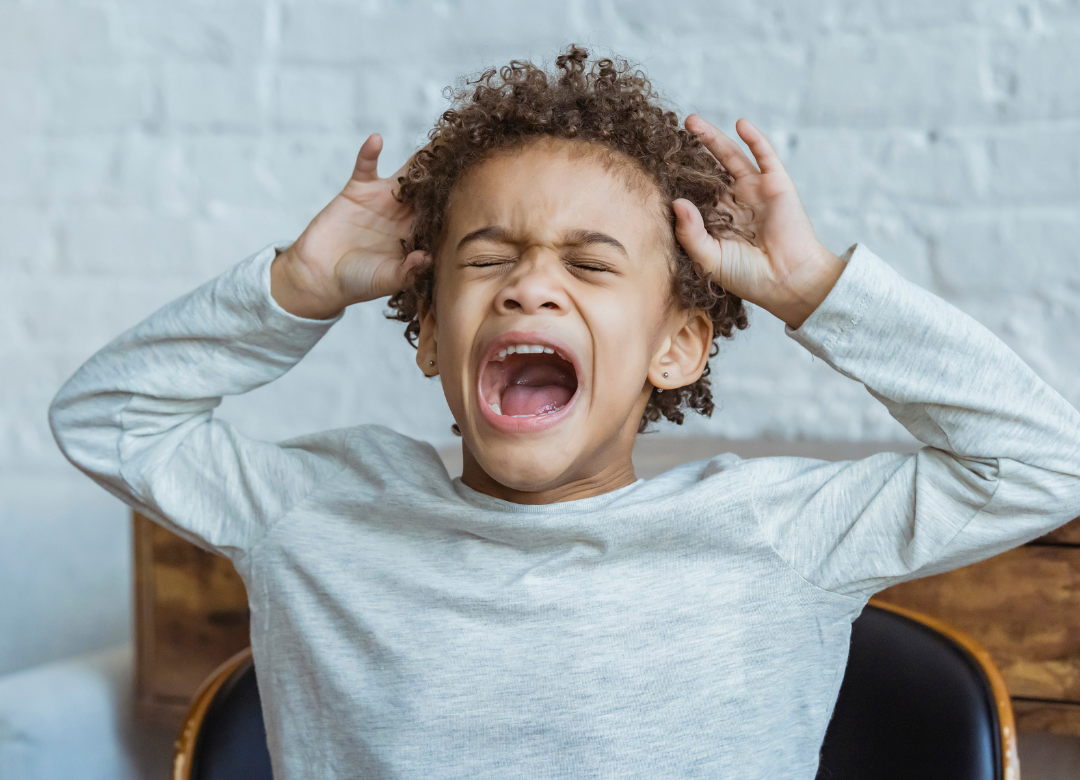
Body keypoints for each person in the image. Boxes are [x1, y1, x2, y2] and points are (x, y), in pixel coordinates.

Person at [49, 45, 1080, 779]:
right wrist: (298, 282)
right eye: (487, 258)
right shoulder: (315, 510)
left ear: (676, 348)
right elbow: (106, 419)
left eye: (589, 264)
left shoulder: (781, 536)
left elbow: (1042, 465)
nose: (529, 286)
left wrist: (817, 292)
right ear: (428, 335)